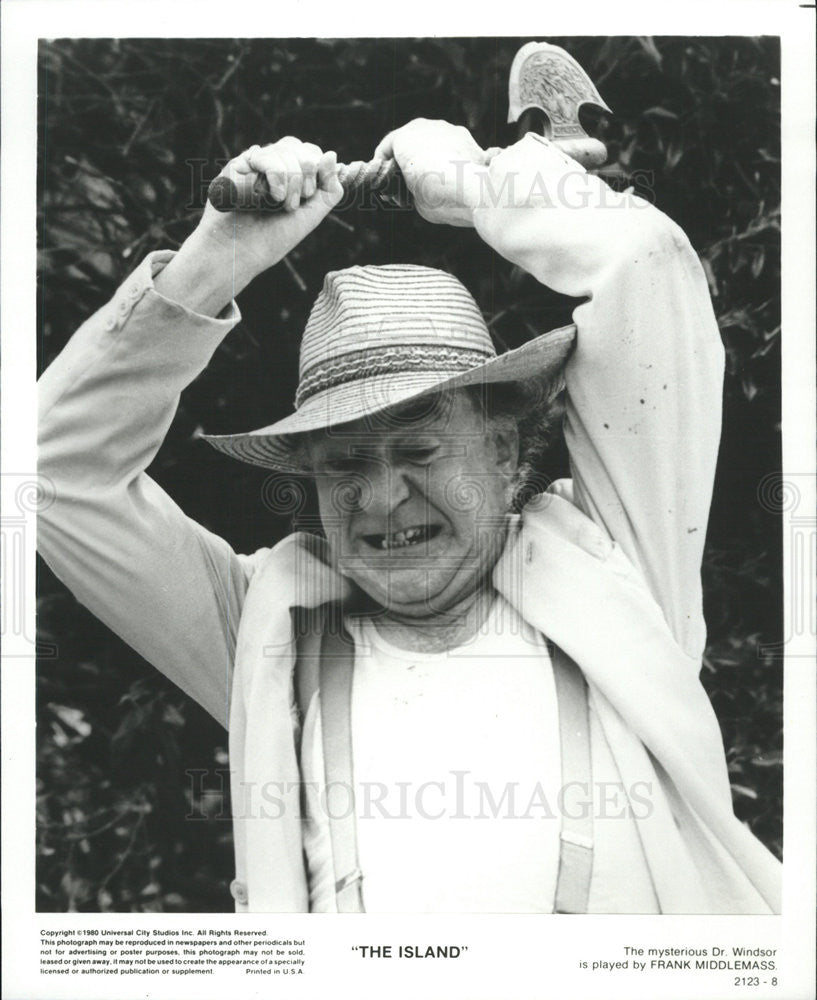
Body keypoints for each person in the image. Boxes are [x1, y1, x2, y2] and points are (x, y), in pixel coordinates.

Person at [38, 120, 782, 914]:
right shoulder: (268, 634)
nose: (384, 496)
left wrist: (474, 186)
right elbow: (53, 474)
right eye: (348, 463)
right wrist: (214, 259)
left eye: (421, 452)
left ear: (503, 453)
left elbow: (647, 267)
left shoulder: (619, 563)